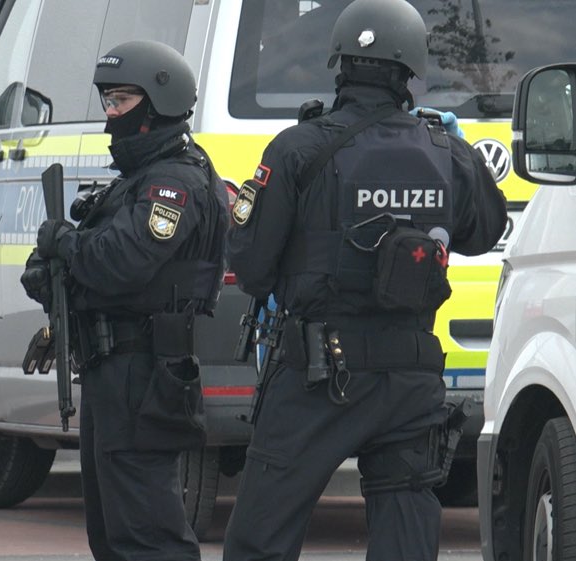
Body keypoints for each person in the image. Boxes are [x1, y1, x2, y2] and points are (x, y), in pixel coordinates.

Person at [222, 0, 508, 560]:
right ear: (410, 71)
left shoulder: (299, 148)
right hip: (410, 380)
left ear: (340, 64)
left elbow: (252, 268)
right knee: (405, 539)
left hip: (318, 376)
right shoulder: (444, 149)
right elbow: (486, 231)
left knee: (260, 538)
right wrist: (464, 157)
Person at [21, 40, 228, 561]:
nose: (111, 113)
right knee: (112, 534)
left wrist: (65, 244)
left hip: (143, 370)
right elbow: (94, 263)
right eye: (108, 101)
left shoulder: (174, 182)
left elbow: (121, 261)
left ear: (158, 102)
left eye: (122, 100)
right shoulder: (135, 182)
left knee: (147, 534)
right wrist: (51, 273)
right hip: (112, 368)